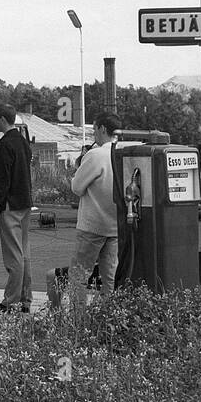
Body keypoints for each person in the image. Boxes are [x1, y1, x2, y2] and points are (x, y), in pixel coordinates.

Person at [68, 111, 121, 315]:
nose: (93, 135)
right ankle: (112, 313)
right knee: (111, 274)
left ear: (102, 129)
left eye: (94, 130)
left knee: (80, 274)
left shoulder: (95, 155)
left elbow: (77, 187)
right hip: (115, 225)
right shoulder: (123, 152)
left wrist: (81, 164)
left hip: (92, 224)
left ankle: (77, 315)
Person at [0, 103, 34, 313]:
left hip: (10, 205)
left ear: (3, 119)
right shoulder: (23, 142)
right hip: (24, 202)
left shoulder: (5, 144)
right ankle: (25, 299)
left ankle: (10, 301)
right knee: (24, 253)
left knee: (13, 256)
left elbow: (1, 178)